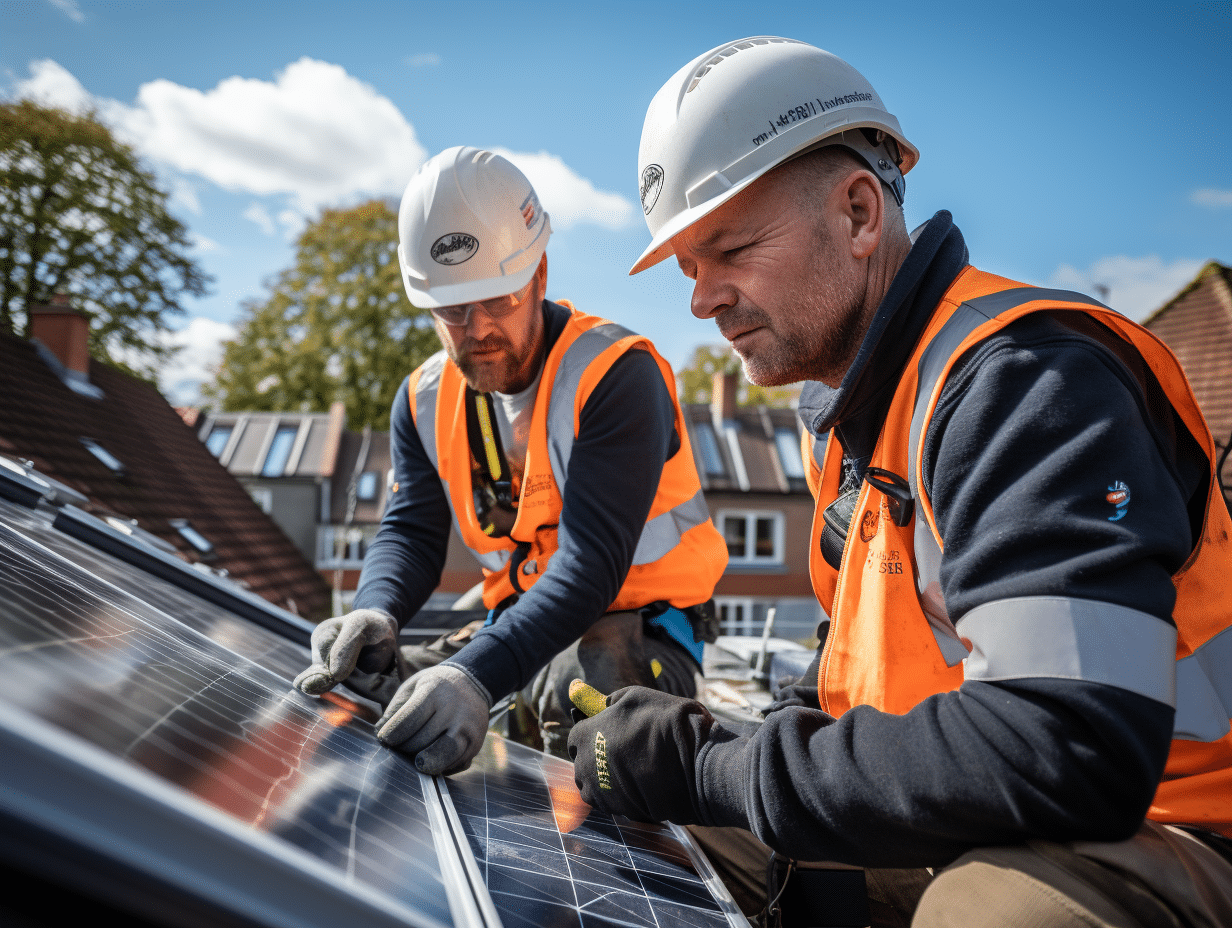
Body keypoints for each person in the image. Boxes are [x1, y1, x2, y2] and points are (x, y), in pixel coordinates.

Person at [568, 37, 1232, 927]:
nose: (702, 298)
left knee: (988, 916)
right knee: (631, 829)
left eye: (730, 249)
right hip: (981, 813)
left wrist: (711, 767)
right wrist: (685, 750)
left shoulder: (1028, 381)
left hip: (1172, 828)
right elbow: (861, 690)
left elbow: (1070, 746)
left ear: (857, 213)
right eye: (689, 266)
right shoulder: (852, 424)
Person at [294, 146, 727, 774]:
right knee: (372, 692)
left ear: (540, 275)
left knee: (586, 696)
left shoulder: (615, 374)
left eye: (498, 299)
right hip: (518, 620)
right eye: (452, 309)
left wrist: (474, 674)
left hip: (640, 630)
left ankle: (590, 859)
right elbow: (412, 528)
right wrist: (375, 609)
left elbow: (590, 564)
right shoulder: (421, 400)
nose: (477, 329)